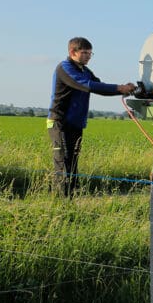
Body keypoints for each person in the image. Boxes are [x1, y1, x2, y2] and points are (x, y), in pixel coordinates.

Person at [47, 37, 136, 197]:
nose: (88, 56)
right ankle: (60, 200)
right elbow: (89, 86)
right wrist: (120, 88)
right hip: (59, 122)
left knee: (73, 161)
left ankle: (73, 196)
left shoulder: (84, 70)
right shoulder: (65, 68)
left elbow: (99, 86)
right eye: (84, 53)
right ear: (72, 52)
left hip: (76, 123)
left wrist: (124, 89)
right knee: (63, 161)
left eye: (90, 53)